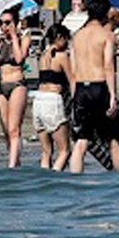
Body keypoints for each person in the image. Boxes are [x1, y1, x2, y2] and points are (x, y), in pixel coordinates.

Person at [68, 0, 119, 174]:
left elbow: (73, 69)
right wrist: (113, 96)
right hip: (99, 87)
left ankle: (75, 183)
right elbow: (108, 66)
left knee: (81, 141)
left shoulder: (76, 36)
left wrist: (74, 96)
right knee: (112, 139)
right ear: (104, 15)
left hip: (80, 89)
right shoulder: (106, 35)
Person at [0, 6, 31, 168]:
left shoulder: (24, 38)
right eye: (1, 23)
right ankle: (15, 162)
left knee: (14, 129)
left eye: (7, 23)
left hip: (17, 84)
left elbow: (19, 59)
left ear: (16, 23)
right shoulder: (0, 41)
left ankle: (11, 167)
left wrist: (13, 36)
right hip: (1, 86)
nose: (4, 26)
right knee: (6, 130)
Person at [33, 23, 72, 171]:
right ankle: (56, 181)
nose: (67, 43)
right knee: (64, 151)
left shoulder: (42, 56)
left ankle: (44, 184)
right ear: (59, 38)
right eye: (66, 40)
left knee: (46, 151)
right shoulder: (62, 56)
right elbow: (71, 80)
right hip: (52, 101)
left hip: (38, 100)